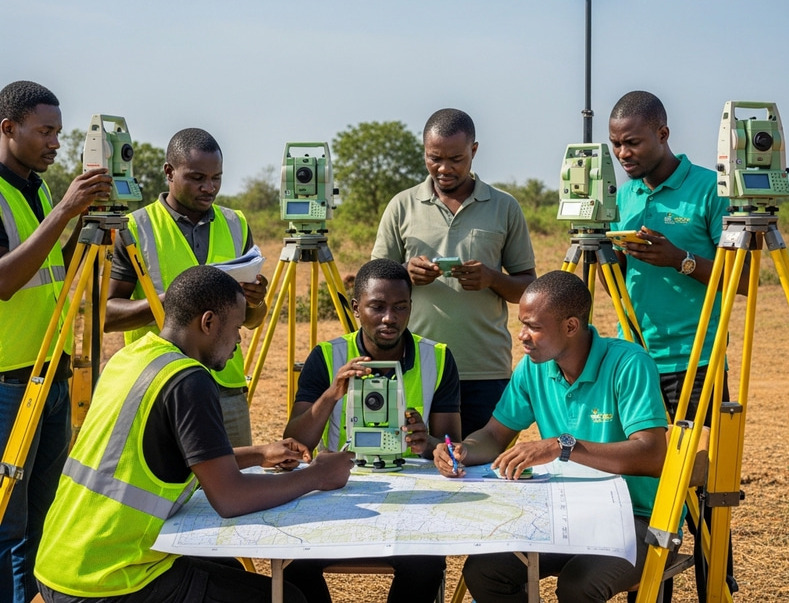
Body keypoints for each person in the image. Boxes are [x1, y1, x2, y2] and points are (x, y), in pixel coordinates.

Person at [34, 264, 353, 603]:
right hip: (112, 581)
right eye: (235, 327)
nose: (239, 339)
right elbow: (230, 498)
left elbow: (177, 459)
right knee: (290, 599)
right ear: (208, 322)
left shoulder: (132, 357)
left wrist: (260, 453)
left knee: (227, 565)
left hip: (61, 563)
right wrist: (317, 476)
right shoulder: (189, 380)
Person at [433, 271, 668, 603]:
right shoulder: (534, 367)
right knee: (485, 571)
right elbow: (493, 435)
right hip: (566, 515)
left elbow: (652, 455)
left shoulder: (629, 364)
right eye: (522, 324)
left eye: (534, 327)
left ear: (571, 327)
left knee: (578, 586)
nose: (522, 336)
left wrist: (563, 446)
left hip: (639, 520)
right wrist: (463, 451)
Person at [282, 258, 461, 603]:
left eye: (400, 307)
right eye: (377, 307)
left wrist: (429, 444)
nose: (389, 318)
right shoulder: (327, 357)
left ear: (411, 307)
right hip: (340, 495)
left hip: (411, 502)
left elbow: (450, 444)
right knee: (294, 565)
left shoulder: (437, 357)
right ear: (355, 308)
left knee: (426, 565)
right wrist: (333, 392)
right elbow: (296, 442)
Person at [0, 80, 113, 603]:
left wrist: (83, 225)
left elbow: (53, 269)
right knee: (6, 522)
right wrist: (64, 212)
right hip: (7, 383)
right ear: (9, 128)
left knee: (41, 519)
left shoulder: (38, 188)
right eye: (44, 132)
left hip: (51, 372)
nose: (54, 144)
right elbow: (4, 281)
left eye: (58, 134)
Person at [372, 108, 536, 436]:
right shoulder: (401, 206)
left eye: (456, 159)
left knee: (484, 470)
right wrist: (405, 273)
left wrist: (492, 279)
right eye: (434, 158)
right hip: (415, 366)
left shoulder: (504, 207)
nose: (444, 169)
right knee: (412, 465)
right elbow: (373, 285)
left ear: (474, 150)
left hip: (484, 370)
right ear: (424, 151)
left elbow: (527, 289)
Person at [105, 127, 268, 447]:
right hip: (160, 385)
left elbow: (252, 320)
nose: (209, 188)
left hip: (227, 389)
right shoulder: (135, 227)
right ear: (169, 171)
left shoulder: (236, 223)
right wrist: (172, 303)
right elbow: (107, 314)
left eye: (216, 178)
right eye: (197, 178)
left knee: (236, 488)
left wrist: (256, 301)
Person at [607, 91, 748, 420]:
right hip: (633, 353)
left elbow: (742, 281)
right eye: (615, 144)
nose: (622, 154)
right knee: (643, 464)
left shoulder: (711, 190)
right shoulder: (622, 197)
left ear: (662, 134)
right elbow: (614, 283)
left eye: (632, 143)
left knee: (699, 466)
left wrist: (679, 259)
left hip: (697, 358)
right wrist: (603, 244)